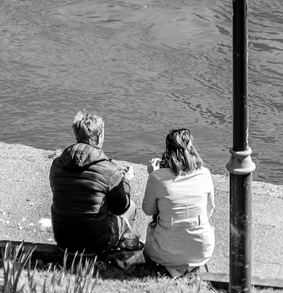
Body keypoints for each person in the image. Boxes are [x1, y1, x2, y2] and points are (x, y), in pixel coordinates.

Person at [50, 110, 138, 256]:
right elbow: (121, 208)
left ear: (77, 135)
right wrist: (126, 180)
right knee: (131, 207)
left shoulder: (57, 164)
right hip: (96, 245)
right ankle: (124, 252)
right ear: (99, 137)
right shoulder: (109, 169)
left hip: (63, 242)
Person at [142, 128, 215, 277]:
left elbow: (148, 210)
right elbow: (209, 210)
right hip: (202, 250)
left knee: (151, 230)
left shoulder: (157, 177)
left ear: (168, 150)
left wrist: (153, 174)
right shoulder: (205, 174)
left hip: (167, 252)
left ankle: (172, 266)